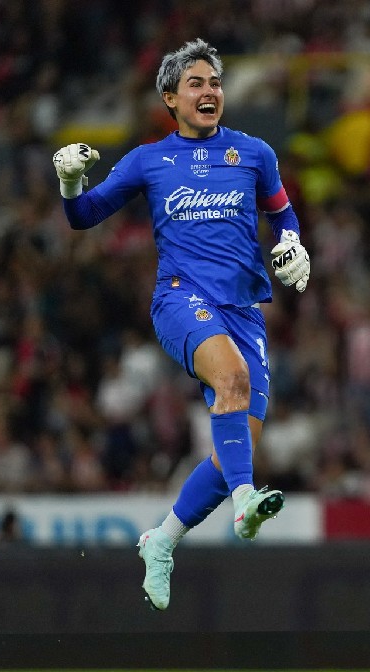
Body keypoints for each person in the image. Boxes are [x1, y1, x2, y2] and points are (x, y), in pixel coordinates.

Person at [51, 38, 311, 610]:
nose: (209, 91)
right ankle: (245, 502)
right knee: (233, 383)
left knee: (236, 446)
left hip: (243, 310)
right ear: (170, 98)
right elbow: (84, 215)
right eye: (196, 83)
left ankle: (162, 540)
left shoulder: (254, 153)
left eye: (215, 82)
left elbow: (283, 213)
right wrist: (70, 182)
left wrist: (293, 244)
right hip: (180, 300)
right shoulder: (148, 160)